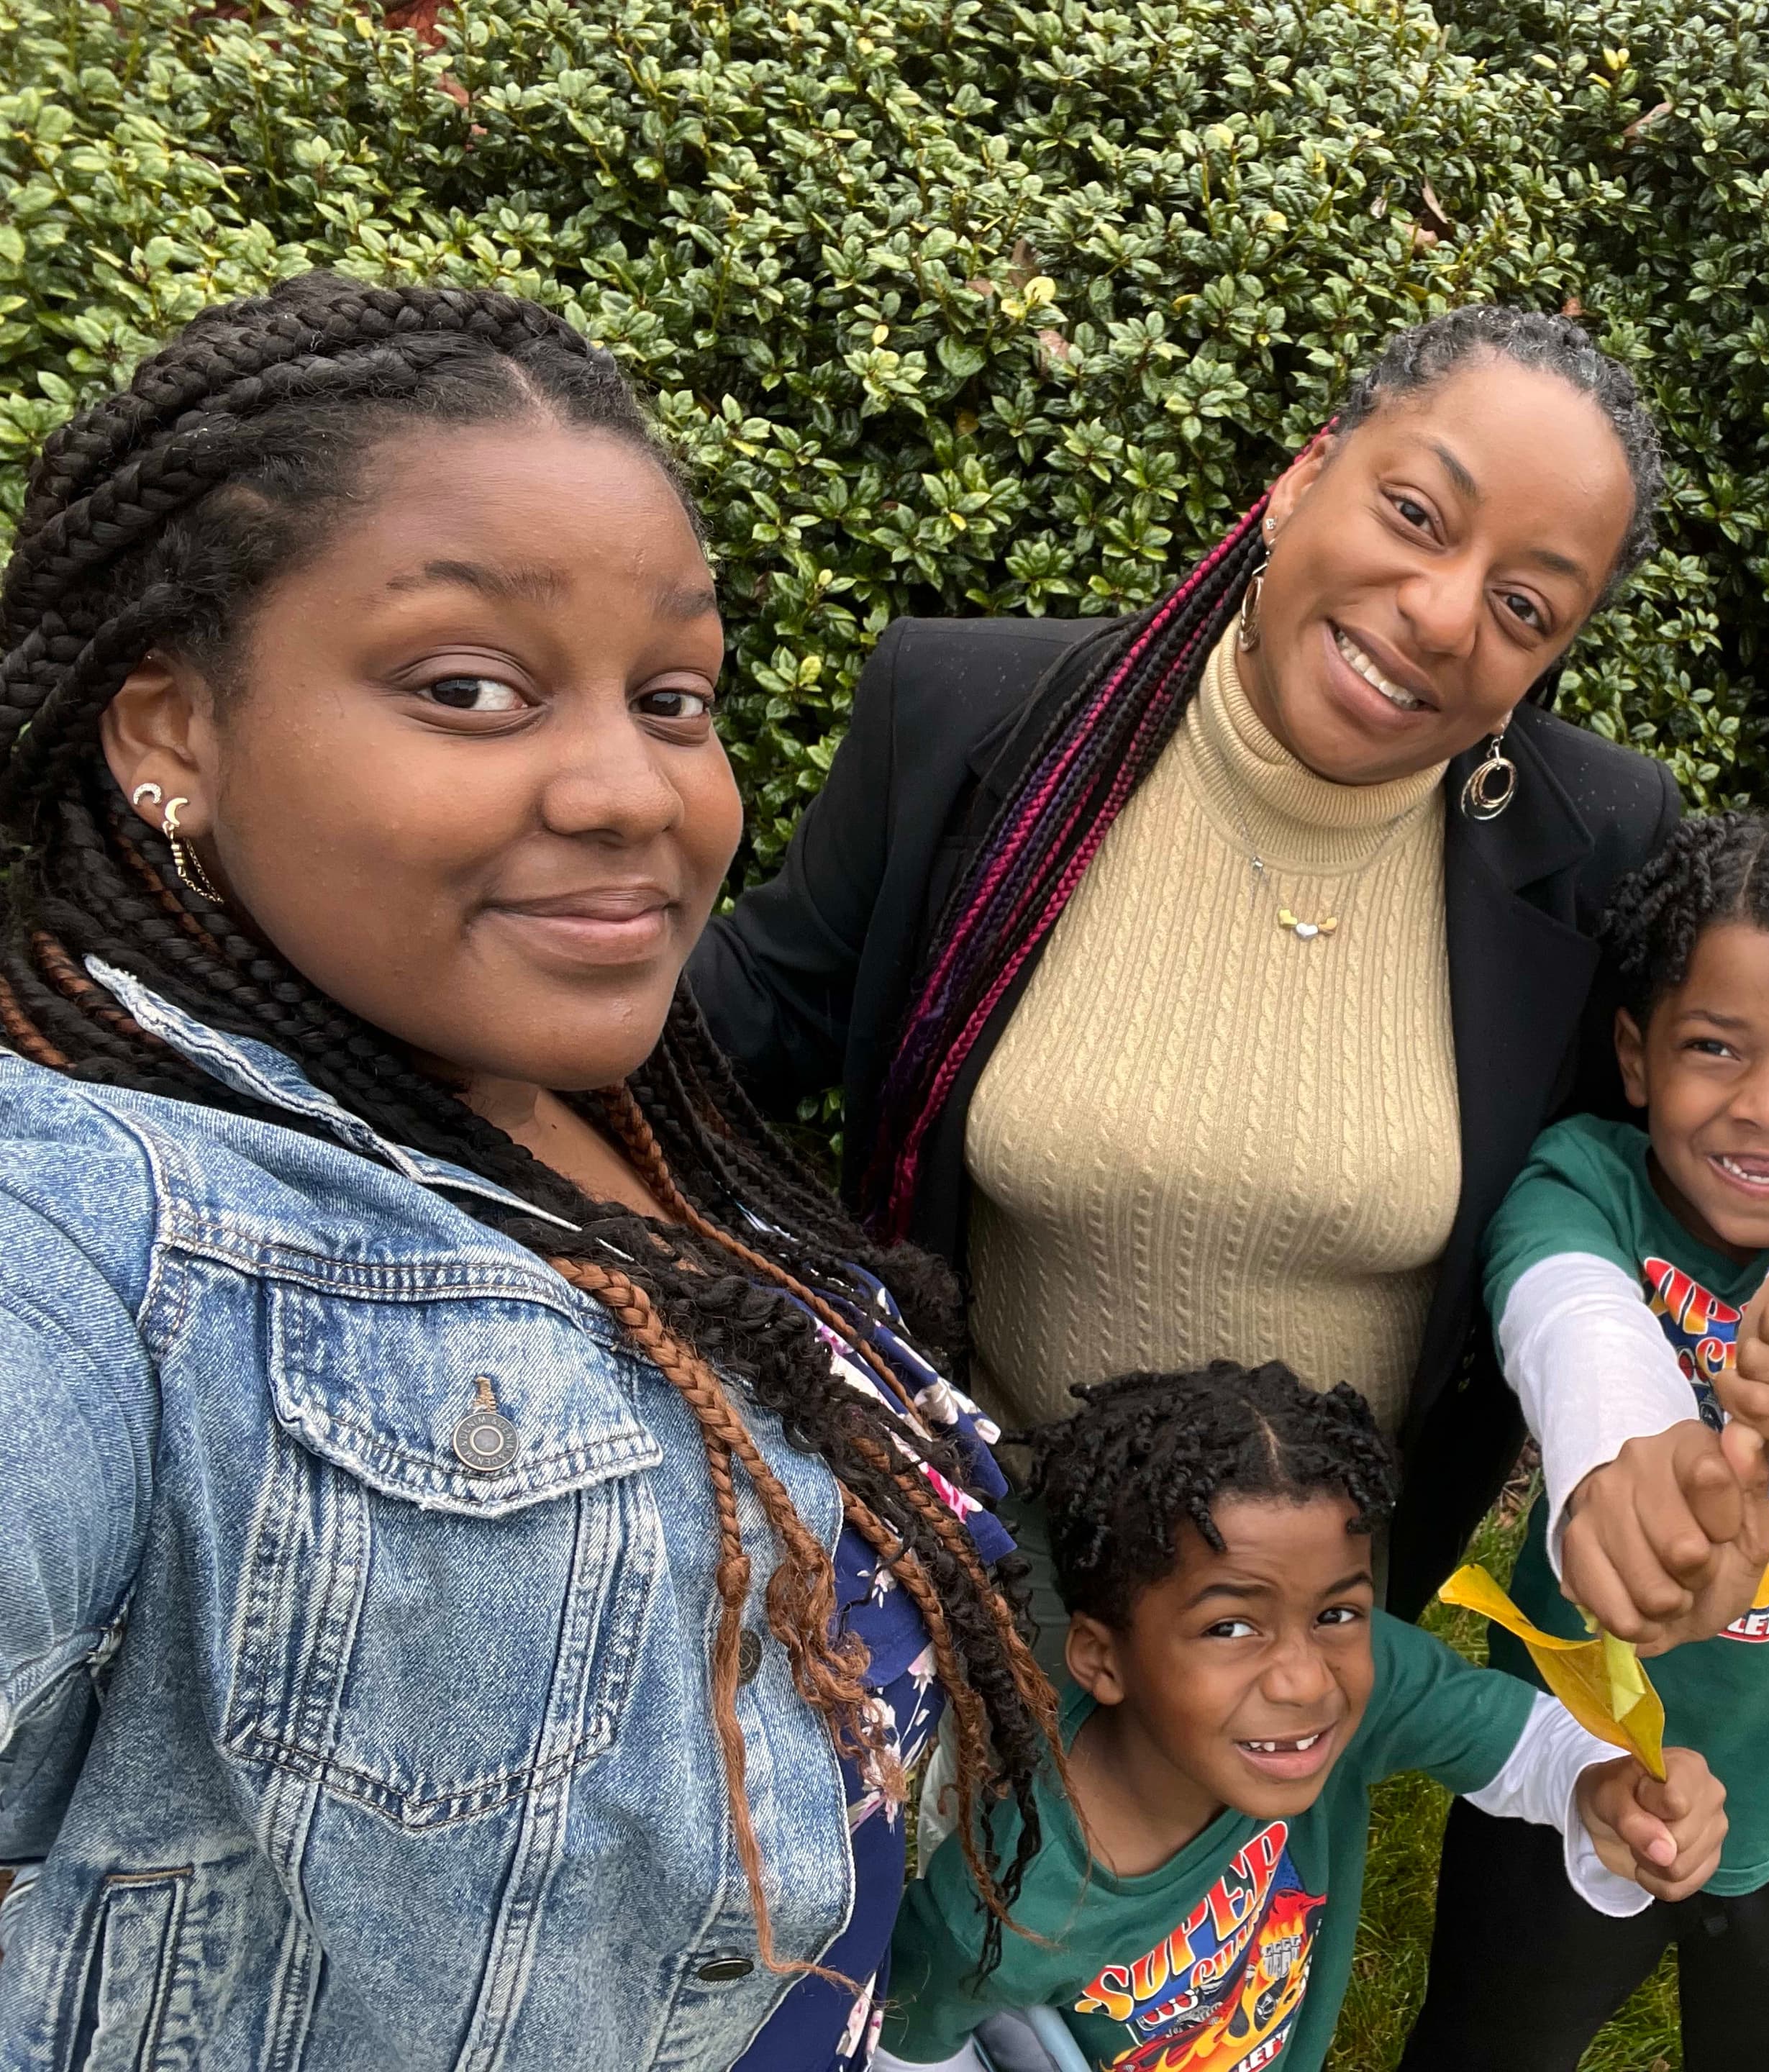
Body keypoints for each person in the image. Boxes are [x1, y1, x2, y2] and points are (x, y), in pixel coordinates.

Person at [0, 274, 1055, 2069]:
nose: (632, 791)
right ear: (171, 728)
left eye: (672, 696)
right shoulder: (99, 1234)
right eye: (470, 687)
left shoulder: (621, 1127)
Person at [686, 307, 1769, 1615]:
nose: (1443, 615)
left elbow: (1732, 1140)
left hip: (1326, 1628)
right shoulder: (975, 721)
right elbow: (740, 1021)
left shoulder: (1594, 847)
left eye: (1524, 605)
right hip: (983, 1557)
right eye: (1415, 514)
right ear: (1305, 474)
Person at [1396, 811, 1769, 2071]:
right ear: (1635, 1054)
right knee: (1489, 2042)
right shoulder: (1579, 1183)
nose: (1767, 1108)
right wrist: (1628, 1462)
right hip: (1585, 1752)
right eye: (1714, 1047)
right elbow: (1568, 1316)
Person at [876, 1362, 1729, 2072]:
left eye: (1336, 1612)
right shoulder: (1006, 1903)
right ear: (1101, 1659)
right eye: (1230, 1627)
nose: (1303, 1679)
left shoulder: (1362, 1685)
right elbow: (904, 2046)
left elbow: (1520, 1743)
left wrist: (1599, 1787)